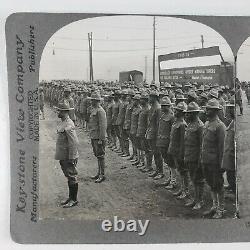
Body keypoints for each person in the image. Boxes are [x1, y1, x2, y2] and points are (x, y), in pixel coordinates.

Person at [201, 98, 226, 219]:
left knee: (218, 185)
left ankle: (221, 209)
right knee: (211, 184)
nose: (206, 111)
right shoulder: (207, 123)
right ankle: (214, 206)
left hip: (215, 163)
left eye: (209, 109)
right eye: (206, 108)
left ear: (215, 111)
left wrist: (222, 165)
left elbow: (222, 148)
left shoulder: (220, 126)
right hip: (206, 161)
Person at [55, 101, 79, 208]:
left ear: (64, 112)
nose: (57, 112)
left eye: (59, 110)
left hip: (68, 156)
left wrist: (72, 157)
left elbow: (73, 142)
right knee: (69, 176)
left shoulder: (68, 124)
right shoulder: (64, 122)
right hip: (64, 155)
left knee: (72, 176)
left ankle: (74, 199)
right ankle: (70, 198)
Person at [184, 102, 205, 210]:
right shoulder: (190, 124)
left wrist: (200, 160)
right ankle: (195, 199)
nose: (187, 115)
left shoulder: (200, 126)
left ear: (195, 113)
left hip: (196, 157)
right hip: (189, 156)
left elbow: (202, 145)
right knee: (193, 178)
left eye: (189, 113)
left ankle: (200, 201)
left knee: (198, 180)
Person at [168, 101, 188, 199]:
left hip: (179, 152)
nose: (175, 112)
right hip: (174, 151)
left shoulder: (183, 124)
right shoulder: (176, 122)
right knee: (180, 171)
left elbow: (182, 141)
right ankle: (182, 188)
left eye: (177, 111)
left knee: (183, 172)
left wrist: (181, 154)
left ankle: (185, 190)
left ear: (182, 113)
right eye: (175, 110)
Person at [89, 92, 107, 183]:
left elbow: (103, 126)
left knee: (101, 156)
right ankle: (99, 172)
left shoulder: (100, 111)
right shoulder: (94, 109)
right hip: (94, 136)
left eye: (93, 100)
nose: (91, 101)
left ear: (97, 101)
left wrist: (101, 139)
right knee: (98, 156)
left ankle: (102, 175)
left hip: (98, 138)